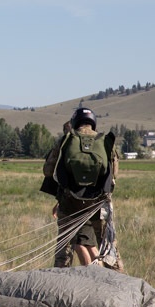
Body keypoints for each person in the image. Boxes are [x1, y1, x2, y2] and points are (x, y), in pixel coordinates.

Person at [41, 107, 122, 271]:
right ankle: (120, 282)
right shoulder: (105, 141)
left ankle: (60, 284)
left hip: (70, 201)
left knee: (64, 250)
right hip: (98, 203)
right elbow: (114, 175)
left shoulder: (67, 139)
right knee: (108, 247)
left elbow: (48, 171)